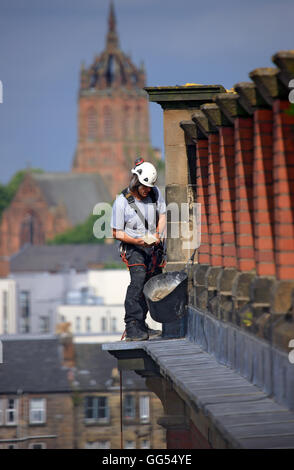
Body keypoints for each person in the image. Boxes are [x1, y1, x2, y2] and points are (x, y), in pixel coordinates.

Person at [111, 158, 166, 341]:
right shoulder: (121, 202)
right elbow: (116, 232)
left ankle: (142, 324)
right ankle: (132, 325)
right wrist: (137, 241)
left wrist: (158, 234)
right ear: (135, 181)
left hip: (152, 245)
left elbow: (163, 215)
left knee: (151, 282)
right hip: (133, 247)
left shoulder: (155, 193)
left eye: (149, 187)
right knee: (138, 279)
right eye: (144, 186)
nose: (147, 190)